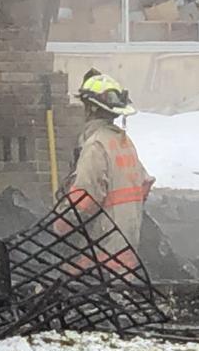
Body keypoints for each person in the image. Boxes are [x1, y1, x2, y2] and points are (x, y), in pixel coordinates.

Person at [63, 71, 155, 270]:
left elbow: (83, 201)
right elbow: (144, 184)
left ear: (90, 110)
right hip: (126, 247)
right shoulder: (123, 141)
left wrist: (59, 227)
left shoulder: (96, 146)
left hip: (100, 254)